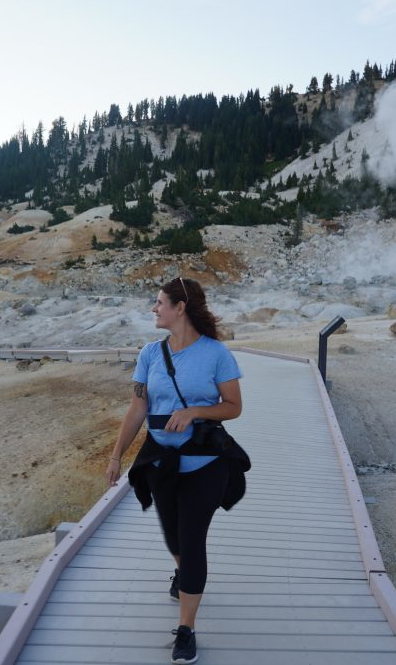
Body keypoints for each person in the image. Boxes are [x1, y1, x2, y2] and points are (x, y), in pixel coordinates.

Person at [105, 277, 246, 665]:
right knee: (173, 541)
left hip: (205, 464)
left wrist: (195, 410)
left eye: (160, 302)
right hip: (161, 463)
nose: (154, 309)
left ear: (180, 308)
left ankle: (186, 631)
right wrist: (117, 455)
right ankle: (181, 572)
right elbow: (138, 409)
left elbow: (233, 406)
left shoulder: (216, 353)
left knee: (191, 539)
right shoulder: (150, 354)